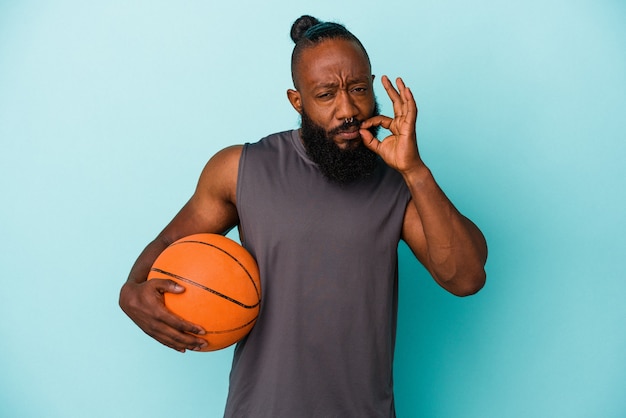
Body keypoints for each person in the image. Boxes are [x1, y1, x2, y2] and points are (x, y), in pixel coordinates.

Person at [119, 15, 487, 418]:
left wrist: (415, 171)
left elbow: (466, 277)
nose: (348, 109)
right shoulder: (240, 170)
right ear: (298, 102)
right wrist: (131, 290)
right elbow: (170, 246)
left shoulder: (397, 182)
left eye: (359, 89)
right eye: (326, 95)